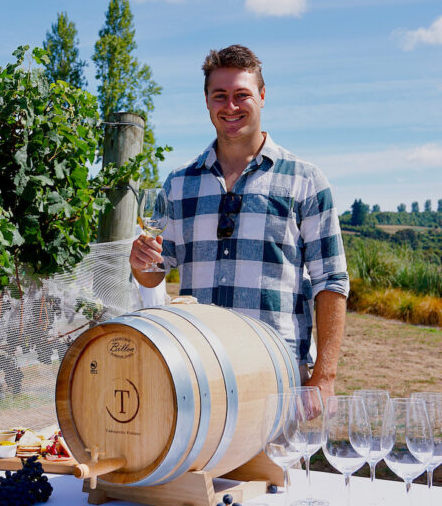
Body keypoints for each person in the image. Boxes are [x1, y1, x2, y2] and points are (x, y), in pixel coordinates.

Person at [129, 44, 349, 402]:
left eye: (241, 95)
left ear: (262, 96)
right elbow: (154, 274)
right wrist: (140, 262)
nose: (230, 106)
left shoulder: (305, 180)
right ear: (206, 101)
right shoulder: (179, 184)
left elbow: (332, 281)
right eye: (220, 95)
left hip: (277, 374)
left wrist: (324, 376)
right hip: (199, 371)